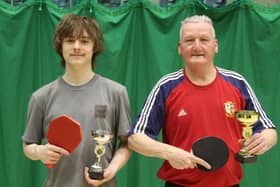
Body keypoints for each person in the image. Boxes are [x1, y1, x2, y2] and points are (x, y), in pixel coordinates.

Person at [128, 15, 277, 187]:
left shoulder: (237, 83)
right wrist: (170, 153)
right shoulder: (166, 86)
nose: (197, 46)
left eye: (204, 40)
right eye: (189, 40)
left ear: (216, 46)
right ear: (180, 48)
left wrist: (265, 139)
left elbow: (269, 130)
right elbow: (135, 138)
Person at [22, 14, 131, 187]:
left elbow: (126, 144)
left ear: (95, 46)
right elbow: (28, 145)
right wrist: (39, 151)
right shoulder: (41, 97)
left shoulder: (116, 92)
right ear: (61, 46)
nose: (77, 47)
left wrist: (112, 169)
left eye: (85, 41)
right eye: (70, 40)